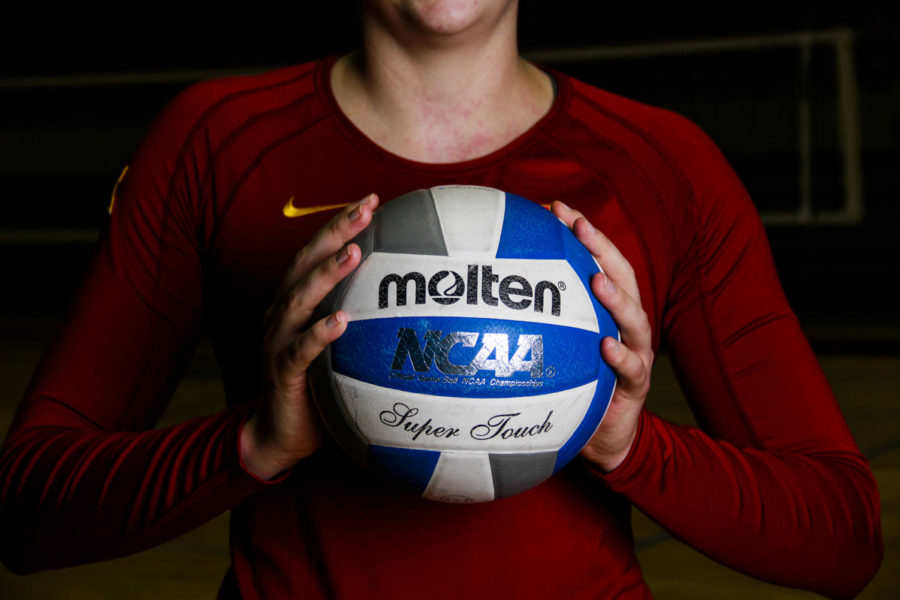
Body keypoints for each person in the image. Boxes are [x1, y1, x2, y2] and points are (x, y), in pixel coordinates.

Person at [0, 1, 883, 598]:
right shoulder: (215, 140)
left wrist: (625, 443)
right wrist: (254, 442)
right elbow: (26, 511)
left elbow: (841, 537)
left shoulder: (664, 163)